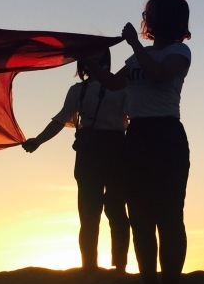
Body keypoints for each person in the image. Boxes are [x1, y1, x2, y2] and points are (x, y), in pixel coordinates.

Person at [88, 0, 191, 284]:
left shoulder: (179, 51)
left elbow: (158, 75)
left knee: (169, 214)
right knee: (140, 217)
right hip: (137, 137)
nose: (147, 19)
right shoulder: (136, 57)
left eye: (152, 14)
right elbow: (113, 83)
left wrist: (134, 43)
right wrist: (90, 63)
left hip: (166, 135)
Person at [22, 50, 130, 272]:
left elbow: (134, 119)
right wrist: (38, 140)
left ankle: (119, 268)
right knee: (89, 214)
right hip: (89, 153)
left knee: (116, 210)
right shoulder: (77, 91)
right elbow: (60, 119)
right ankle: (89, 268)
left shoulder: (121, 88)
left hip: (116, 151)